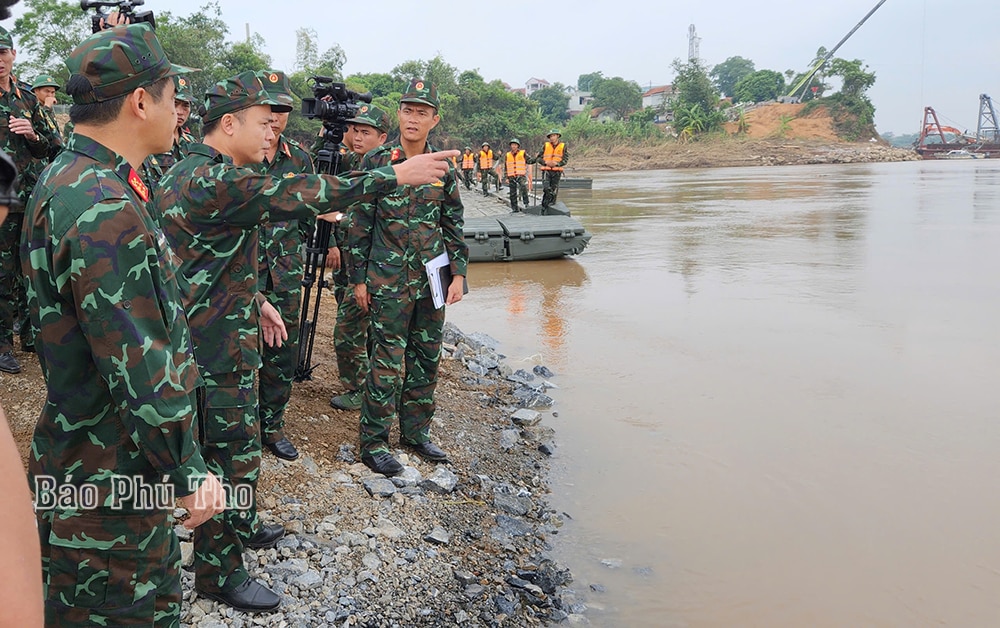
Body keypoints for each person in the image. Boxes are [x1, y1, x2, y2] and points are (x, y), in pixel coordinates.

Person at [154, 70, 456, 612]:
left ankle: (240, 524)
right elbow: (298, 194)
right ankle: (220, 573)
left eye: (277, 124)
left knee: (237, 451)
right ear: (228, 124)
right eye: (262, 123)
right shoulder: (213, 181)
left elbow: (200, 267)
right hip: (216, 352)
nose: (271, 133)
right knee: (230, 456)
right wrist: (394, 174)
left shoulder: (191, 175)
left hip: (223, 331)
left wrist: (258, 301)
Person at [20, 24, 226, 627]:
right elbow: (138, 361)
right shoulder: (103, 204)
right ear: (141, 101)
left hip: (87, 457)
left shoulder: (71, 177)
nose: (178, 113)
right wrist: (186, 471)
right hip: (109, 480)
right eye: (171, 96)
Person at [348, 78, 469, 476]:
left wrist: (459, 274)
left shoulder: (443, 166)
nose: (413, 118)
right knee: (386, 360)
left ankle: (416, 433)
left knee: (427, 358)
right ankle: (374, 441)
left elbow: (452, 221)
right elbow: (360, 222)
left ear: (434, 119)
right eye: (407, 110)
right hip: (387, 278)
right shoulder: (377, 161)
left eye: (422, 112)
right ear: (398, 113)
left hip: (431, 279)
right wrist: (359, 279)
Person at [254, 69, 315, 461]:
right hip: (243, 275)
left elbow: (311, 212)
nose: (275, 117)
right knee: (237, 353)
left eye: (282, 109)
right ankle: (232, 428)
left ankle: (272, 426)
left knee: (281, 352)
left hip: (287, 271)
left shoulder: (301, 159)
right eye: (268, 108)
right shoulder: (237, 156)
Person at [0, 25, 58, 373]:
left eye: (3, 53)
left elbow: (52, 146)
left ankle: (29, 333)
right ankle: (3, 343)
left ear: (13, 55)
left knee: (32, 269)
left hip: (30, 195)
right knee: (2, 274)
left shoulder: (26, 98)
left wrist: (32, 133)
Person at [329, 103, 389, 412]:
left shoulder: (388, 171)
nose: (357, 137)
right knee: (356, 326)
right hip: (350, 263)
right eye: (354, 131)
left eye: (365, 132)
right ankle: (368, 386)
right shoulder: (353, 162)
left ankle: (360, 389)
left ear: (382, 137)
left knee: (350, 330)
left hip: (374, 267)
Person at [143, 74, 196, 188]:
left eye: (185, 105)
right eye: (175, 103)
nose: (180, 111)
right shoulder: (149, 140)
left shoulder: (192, 143)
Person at [29, 74, 62, 148]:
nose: (50, 95)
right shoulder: (31, 107)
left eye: (52, 92)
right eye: (47, 91)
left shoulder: (49, 109)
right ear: (36, 91)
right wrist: (46, 107)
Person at [538, 129, 568, 208]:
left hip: (557, 171)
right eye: (551, 136)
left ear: (557, 136)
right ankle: (549, 201)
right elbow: (539, 158)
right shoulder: (545, 146)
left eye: (553, 135)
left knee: (553, 188)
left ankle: (547, 206)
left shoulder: (563, 146)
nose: (552, 138)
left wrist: (557, 164)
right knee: (546, 188)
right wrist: (545, 163)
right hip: (546, 170)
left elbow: (565, 159)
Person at [503, 137, 534, 212]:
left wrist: (536, 159)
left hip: (520, 175)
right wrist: (506, 177)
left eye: (515, 145)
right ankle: (514, 208)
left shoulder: (523, 153)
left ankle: (526, 203)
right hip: (511, 175)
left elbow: (529, 160)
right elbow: (506, 167)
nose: (513, 146)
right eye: (512, 145)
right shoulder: (507, 155)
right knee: (512, 192)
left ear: (518, 146)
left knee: (523, 186)